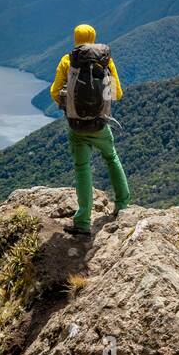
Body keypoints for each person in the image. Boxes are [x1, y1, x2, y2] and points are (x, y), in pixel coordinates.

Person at [49, 23, 131, 235]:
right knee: (111, 158)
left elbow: (55, 91)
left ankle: (83, 221)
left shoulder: (68, 61)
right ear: (94, 37)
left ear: (75, 37)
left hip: (76, 126)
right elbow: (118, 94)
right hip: (100, 124)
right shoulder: (106, 61)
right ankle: (123, 205)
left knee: (82, 167)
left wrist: (70, 106)